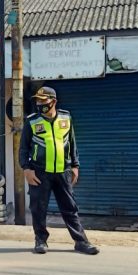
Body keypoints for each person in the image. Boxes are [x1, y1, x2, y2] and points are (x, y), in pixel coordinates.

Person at [19, 86, 99, 255]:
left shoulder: (66, 118)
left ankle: (81, 242)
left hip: (63, 171)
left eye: (43, 101)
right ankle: (40, 240)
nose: (40, 104)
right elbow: (23, 149)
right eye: (38, 101)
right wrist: (26, 169)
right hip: (39, 172)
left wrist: (75, 166)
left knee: (70, 207)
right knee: (38, 208)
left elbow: (72, 144)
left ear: (53, 101)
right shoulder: (32, 121)